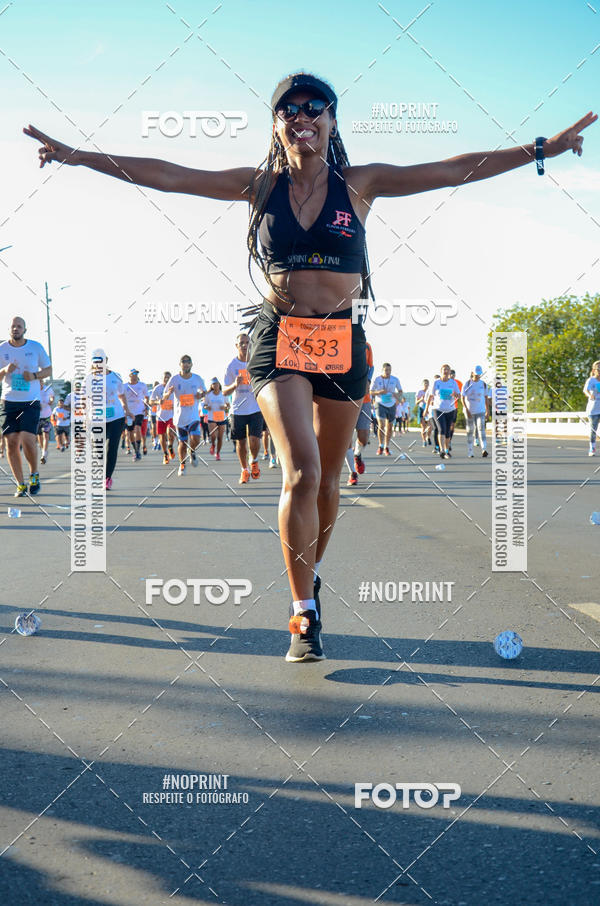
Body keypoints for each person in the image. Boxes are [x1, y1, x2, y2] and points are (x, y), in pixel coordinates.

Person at [24, 78, 596, 661]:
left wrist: (540, 148)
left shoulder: (361, 184)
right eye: (287, 110)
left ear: (332, 122)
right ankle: (303, 613)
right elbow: (167, 173)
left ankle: (310, 572)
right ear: (276, 126)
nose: (301, 117)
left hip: (343, 341)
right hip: (279, 340)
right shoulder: (260, 186)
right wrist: (76, 156)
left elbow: (454, 168)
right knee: (300, 471)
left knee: (327, 478)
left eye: (313, 109)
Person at [0, 316, 51, 496]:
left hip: (30, 401)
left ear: (25, 329)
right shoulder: (2, 349)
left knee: (27, 438)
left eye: (19, 326)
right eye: (13, 326)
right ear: (9, 329)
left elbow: (48, 369)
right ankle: (20, 484)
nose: (16, 329)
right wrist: (5, 371)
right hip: (8, 402)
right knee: (11, 442)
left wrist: (35, 376)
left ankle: (34, 474)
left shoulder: (35, 347)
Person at [223, 334, 262, 484]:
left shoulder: (256, 362)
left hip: (255, 407)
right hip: (238, 410)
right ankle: (244, 470)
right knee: (241, 442)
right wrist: (235, 384)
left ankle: (254, 461)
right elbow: (225, 391)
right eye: (242, 343)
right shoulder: (231, 366)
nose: (245, 345)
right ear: (236, 346)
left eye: (247, 343)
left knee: (254, 439)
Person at [163, 355, 205, 476]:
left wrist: (201, 395)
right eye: (183, 362)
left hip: (193, 416)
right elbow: (164, 396)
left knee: (196, 439)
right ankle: (182, 464)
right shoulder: (174, 379)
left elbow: (204, 391)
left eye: (188, 362)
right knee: (182, 442)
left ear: (191, 364)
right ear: (180, 364)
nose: (186, 364)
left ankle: (191, 451)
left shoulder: (197, 378)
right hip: (179, 418)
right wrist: (169, 393)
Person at [345, 339, 373, 486]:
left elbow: (371, 367)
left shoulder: (366, 346)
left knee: (363, 437)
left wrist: (368, 380)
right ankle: (352, 473)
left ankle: (357, 454)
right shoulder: (339, 342)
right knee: (345, 439)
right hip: (344, 399)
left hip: (364, 398)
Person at [425, 365, 461, 459]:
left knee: (448, 431)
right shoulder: (436, 382)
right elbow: (430, 396)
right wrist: (426, 409)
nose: (446, 371)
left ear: (449, 372)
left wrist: (455, 395)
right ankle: (441, 450)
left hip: (450, 410)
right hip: (438, 409)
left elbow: (458, 396)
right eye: (444, 369)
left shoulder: (453, 383)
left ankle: (446, 450)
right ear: (441, 371)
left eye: (447, 370)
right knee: (441, 429)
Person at [370, 363, 402, 455]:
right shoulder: (377, 379)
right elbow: (370, 392)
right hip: (380, 404)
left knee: (390, 426)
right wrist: (379, 392)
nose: (388, 372)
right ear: (382, 370)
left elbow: (400, 392)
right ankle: (380, 445)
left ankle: (386, 447)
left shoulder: (395, 379)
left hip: (391, 404)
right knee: (382, 424)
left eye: (389, 370)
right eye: (386, 370)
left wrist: (396, 395)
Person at [462, 366, 491, 457]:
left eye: (479, 374)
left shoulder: (483, 384)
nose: (478, 375)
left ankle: (484, 449)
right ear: (472, 373)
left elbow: (486, 398)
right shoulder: (467, 384)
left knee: (481, 429)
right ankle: (470, 451)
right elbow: (462, 398)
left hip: (480, 410)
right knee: (470, 430)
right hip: (469, 411)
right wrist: (466, 409)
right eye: (476, 374)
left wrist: (487, 411)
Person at [150, 372, 175, 464]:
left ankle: (170, 446)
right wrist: (157, 402)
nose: (167, 379)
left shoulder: (173, 388)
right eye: (165, 377)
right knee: (162, 436)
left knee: (170, 433)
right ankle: (165, 454)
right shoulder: (158, 388)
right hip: (160, 416)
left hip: (171, 415)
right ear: (162, 378)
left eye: (169, 377)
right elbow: (150, 401)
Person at [124, 369, 148, 461]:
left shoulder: (142, 385)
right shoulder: (124, 386)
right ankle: (135, 450)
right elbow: (121, 397)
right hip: (129, 412)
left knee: (137, 428)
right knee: (130, 432)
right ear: (129, 375)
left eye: (136, 373)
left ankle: (138, 451)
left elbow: (146, 397)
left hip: (139, 411)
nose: (135, 375)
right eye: (133, 373)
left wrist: (146, 407)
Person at [204, 377, 226, 461]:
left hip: (221, 417)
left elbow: (228, 405)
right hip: (212, 417)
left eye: (217, 384)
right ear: (211, 386)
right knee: (213, 435)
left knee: (220, 437)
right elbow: (205, 405)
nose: (215, 385)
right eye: (213, 384)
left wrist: (225, 406)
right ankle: (213, 444)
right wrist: (207, 407)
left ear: (219, 384)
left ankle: (218, 453)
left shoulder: (223, 394)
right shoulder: (208, 395)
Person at [583, 360, 600, 456]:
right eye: (598, 369)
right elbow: (585, 390)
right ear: (594, 370)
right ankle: (592, 448)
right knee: (593, 430)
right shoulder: (591, 380)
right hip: (593, 409)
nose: (599, 371)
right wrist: (590, 395)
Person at [37, 380, 54, 464]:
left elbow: (52, 397)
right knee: (39, 435)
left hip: (47, 415)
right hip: (36, 416)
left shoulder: (47, 389)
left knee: (46, 434)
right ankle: (43, 449)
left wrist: (51, 401)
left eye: (41, 381)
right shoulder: (34, 389)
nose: (40, 383)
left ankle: (44, 453)